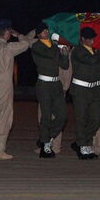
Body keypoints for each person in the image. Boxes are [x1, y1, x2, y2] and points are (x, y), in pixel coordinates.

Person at [0, 19, 36, 160]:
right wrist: (19, 35)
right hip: (3, 83)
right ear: (6, 33)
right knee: (5, 116)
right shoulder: (8, 47)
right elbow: (25, 44)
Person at [31, 24, 70, 158]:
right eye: (43, 31)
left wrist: (65, 54)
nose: (46, 32)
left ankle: (45, 138)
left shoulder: (54, 48)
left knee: (63, 115)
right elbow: (49, 54)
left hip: (56, 84)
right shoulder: (37, 46)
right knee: (46, 116)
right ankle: (46, 146)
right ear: (38, 35)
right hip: (44, 83)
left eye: (47, 30)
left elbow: (64, 65)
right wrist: (55, 45)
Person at [69, 27, 100, 160]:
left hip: (96, 89)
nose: (91, 41)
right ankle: (84, 146)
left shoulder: (95, 52)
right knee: (81, 118)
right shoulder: (77, 51)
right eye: (89, 38)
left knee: (97, 117)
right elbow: (90, 60)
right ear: (82, 39)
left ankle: (82, 141)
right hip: (81, 89)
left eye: (92, 38)